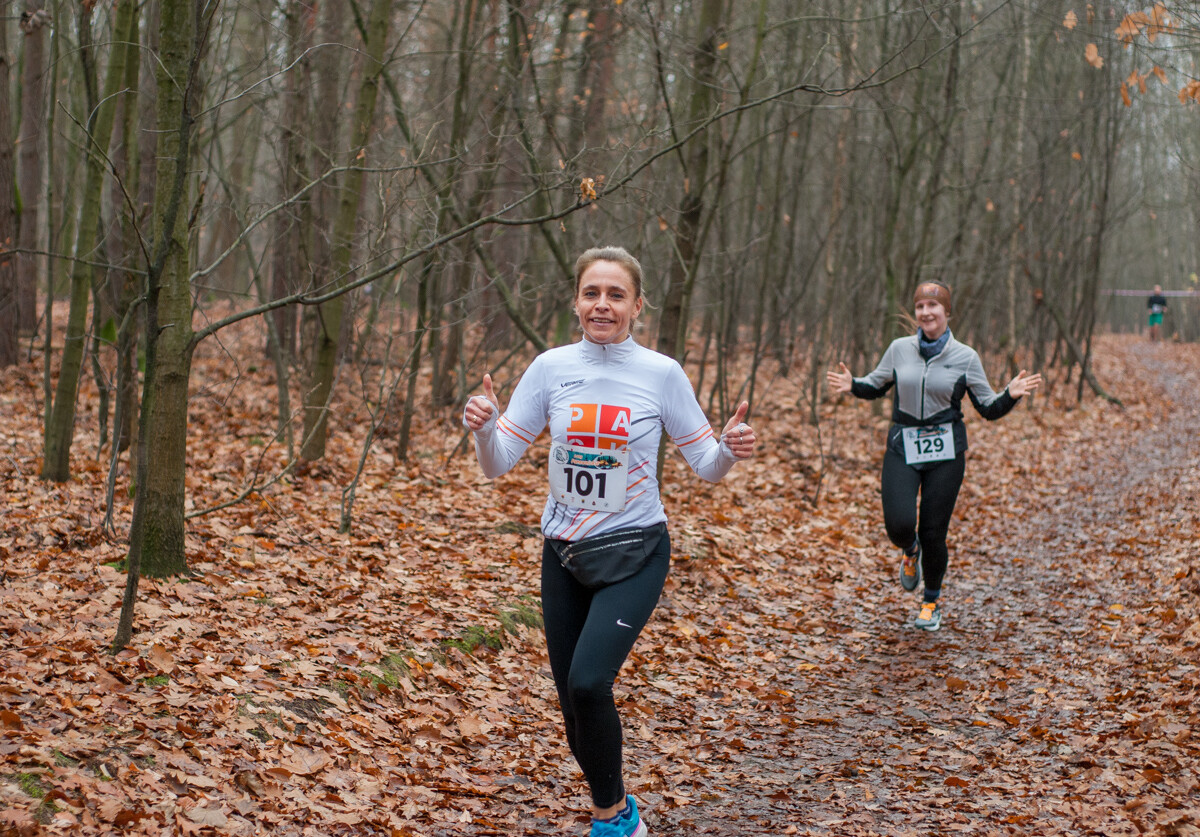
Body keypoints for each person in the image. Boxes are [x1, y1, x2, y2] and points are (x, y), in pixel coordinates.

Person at [463, 246, 756, 837]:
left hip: (636, 552)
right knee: (574, 705)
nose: (603, 305)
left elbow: (705, 465)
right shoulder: (549, 368)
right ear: (576, 302)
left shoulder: (661, 374)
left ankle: (610, 822)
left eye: (615, 295)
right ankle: (618, 804)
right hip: (563, 554)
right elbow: (498, 465)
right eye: (592, 293)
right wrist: (484, 427)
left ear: (636, 306)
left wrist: (728, 448)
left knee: (589, 681)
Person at [825, 280, 1041, 632]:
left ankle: (931, 601)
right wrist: (853, 385)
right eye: (921, 307)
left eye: (933, 306)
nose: (926, 312)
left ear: (947, 312)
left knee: (933, 531)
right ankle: (910, 554)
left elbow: (987, 408)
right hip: (903, 444)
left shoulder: (966, 357)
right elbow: (876, 385)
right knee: (898, 524)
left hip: (946, 452)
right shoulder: (898, 349)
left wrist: (1010, 394)